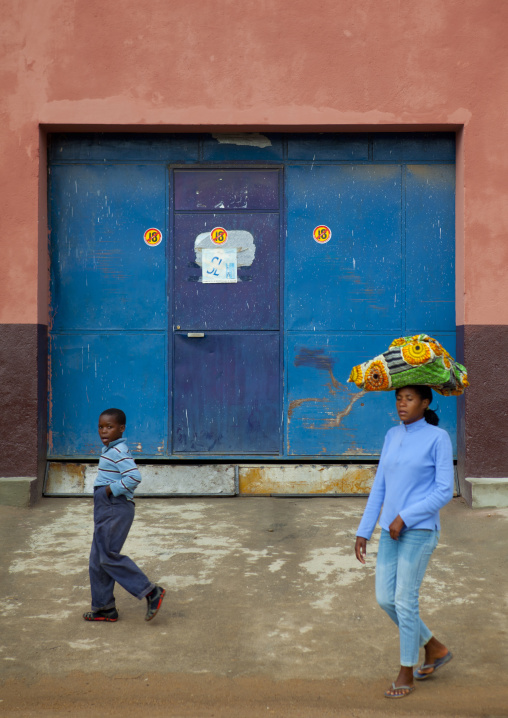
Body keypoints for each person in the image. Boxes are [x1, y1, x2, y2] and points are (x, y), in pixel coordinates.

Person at [354, 385, 454, 698]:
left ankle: (406, 672)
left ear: (425, 403)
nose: (402, 404)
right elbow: (380, 487)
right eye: (399, 398)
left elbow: (443, 491)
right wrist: (364, 529)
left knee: (405, 599)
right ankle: (435, 648)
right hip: (390, 531)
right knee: (386, 598)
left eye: (409, 399)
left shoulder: (438, 439)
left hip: (420, 531)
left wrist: (405, 517)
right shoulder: (391, 435)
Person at [83, 408, 165, 622]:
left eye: (109, 427)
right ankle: (104, 607)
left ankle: (151, 591)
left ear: (121, 428)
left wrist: (108, 491)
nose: (104, 431)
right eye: (101, 427)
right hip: (107, 505)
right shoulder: (110, 449)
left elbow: (133, 478)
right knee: (97, 559)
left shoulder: (118, 451)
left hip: (115, 506)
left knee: (107, 555)